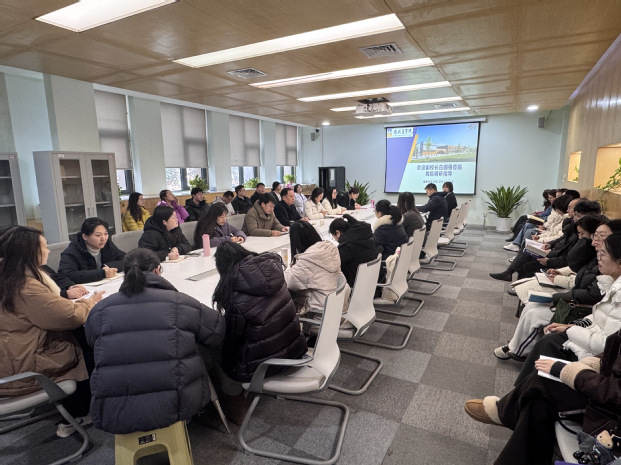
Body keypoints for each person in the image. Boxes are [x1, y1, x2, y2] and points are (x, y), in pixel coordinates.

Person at [85, 248, 226, 434]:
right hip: (178, 403)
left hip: (115, 410)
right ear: (158, 270)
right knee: (194, 348)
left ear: (125, 274)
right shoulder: (180, 302)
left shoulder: (100, 310)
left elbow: (92, 342)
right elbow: (217, 332)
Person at [0, 226, 103, 437]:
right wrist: (90, 303)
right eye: (44, 247)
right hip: (24, 366)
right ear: (30, 252)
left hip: (13, 355)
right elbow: (70, 316)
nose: (48, 251)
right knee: (85, 343)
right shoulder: (25, 286)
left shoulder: (10, 277)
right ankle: (76, 413)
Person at [466, 328, 621, 465]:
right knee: (538, 402)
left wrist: (572, 372)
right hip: (606, 390)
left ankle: (506, 411)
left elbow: (615, 393)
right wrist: (594, 362)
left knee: (543, 381)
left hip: (613, 418)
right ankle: (509, 409)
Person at [512, 233, 621, 387]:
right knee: (546, 331)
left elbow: (606, 344)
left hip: (594, 351)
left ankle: (519, 389)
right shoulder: (610, 281)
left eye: (603, 253)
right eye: (594, 235)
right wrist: (572, 326)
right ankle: (519, 391)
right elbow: (599, 315)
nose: (599, 257)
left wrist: (570, 329)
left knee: (547, 338)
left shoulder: (616, 291)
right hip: (584, 325)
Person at [494, 216, 608, 362]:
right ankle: (515, 344)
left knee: (535, 313)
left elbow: (590, 292)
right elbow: (578, 272)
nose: (594, 240)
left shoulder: (604, 260)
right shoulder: (596, 254)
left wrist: (557, 294)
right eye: (594, 236)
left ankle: (518, 350)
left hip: (580, 307)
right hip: (575, 296)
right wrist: (560, 273)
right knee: (531, 305)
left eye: (600, 236)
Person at [212, 241, 307, 383]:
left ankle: (231, 393)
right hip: (294, 350)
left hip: (263, 366)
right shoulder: (274, 274)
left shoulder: (236, 297)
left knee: (211, 350)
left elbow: (232, 340)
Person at [284, 221, 350, 316]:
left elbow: (288, 282)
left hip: (321, 315)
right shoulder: (329, 249)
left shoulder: (307, 261)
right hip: (339, 309)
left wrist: (292, 267)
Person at [59, 217, 125, 284]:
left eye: (105, 234)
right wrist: (102, 273)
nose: (103, 238)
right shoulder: (71, 252)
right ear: (85, 237)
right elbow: (67, 275)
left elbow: (126, 259)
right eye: (98, 235)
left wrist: (107, 267)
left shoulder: (106, 244)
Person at [329, 214, 383, 288]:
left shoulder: (347, 246)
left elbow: (333, 265)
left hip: (357, 287)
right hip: (374, 283)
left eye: (333, 237)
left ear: (338, 233)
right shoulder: (367, 236)